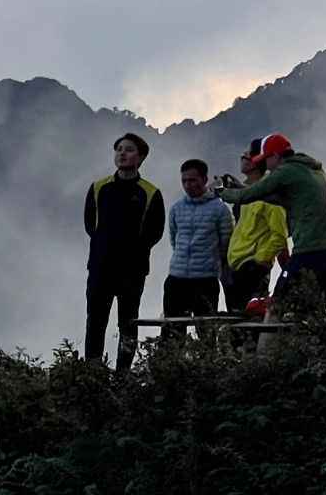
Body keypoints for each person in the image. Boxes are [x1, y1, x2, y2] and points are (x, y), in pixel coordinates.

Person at [216, 133, 326, 308]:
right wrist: (241, 187)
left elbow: (248, 196)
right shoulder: (312, 170)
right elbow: (276, 199)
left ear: (275, 156)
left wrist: (220, 191)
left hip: (310, 249)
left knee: (279, 302)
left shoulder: (286, 170)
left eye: (266, 160)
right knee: (316, 307)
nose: (266, 167)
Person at [83, 132, 165, 372]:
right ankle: (93, 371)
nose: (122, 153)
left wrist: (133, 251)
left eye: (129, 149)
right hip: (100, 267)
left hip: (132, 270)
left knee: (128, 323)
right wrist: (104, 245)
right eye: (119, 149)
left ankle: (123, 374)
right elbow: (91, 224)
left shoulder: (150, 193)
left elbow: (155, 232)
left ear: (140, 158)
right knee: (96, 321)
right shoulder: (99, 188)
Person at [223, 137, 289, 337]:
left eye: (246, 156)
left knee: (252, 324)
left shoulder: (269, 194)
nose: (242, 158)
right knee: (236, 325)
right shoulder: (244, 195)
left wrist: (260, 260)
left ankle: (253, 365)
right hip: (235, 266)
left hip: (253, 268)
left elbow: (279, 236)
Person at [161, 158, 235, 336]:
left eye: (192, 180)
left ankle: (205, 364)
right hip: (176, 278)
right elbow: (174, 239)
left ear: (204, 179)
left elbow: (226, 243)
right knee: (172, 331)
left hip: (205, 280)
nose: (188, 185)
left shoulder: (219, 210)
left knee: (206, 332)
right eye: (184, 181)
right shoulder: (177, 209)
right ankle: (169, 364)